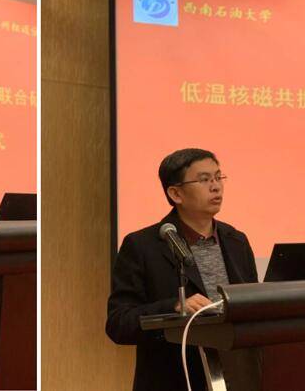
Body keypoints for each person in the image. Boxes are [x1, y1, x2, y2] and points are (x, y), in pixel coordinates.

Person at [106, 148, 258, 391]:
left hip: (237, 377)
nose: (216, 187)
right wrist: (174, 306)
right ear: (176, 193)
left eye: (218, 177)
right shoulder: (142, 246)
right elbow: (119, 324)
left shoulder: (236, 240)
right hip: (175, 379)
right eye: (204, 179)